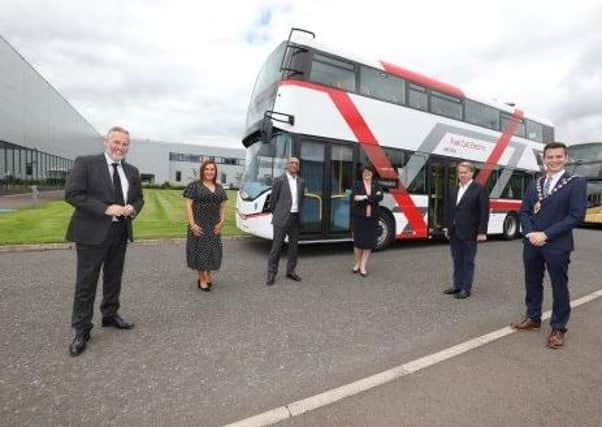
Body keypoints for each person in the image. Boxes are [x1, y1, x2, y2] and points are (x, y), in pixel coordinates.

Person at [65, 126, 144, 357]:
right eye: (116, 142)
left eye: (125, 144)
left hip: (119, 233)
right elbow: (73, 194)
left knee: (113, 277)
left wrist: (132, 208)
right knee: (86, 283)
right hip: (92, 234)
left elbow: (139, 198)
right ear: (106, 142)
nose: (120, 147)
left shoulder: (132, 170)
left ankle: (109, 315)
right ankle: (81, 329)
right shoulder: (86, 163)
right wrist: (105, 209)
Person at [511, 142, 586, 349]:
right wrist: (530, 233)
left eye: (558, 157)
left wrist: (546, 234)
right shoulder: (535, 183)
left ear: (566, 158)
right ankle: (533, 317)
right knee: (532, 281)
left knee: (559, 286)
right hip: (532, 242)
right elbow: (524, 211)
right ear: (544, 159)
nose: (554, 160)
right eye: (550, 157)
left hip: (557, 244)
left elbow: (576, 216)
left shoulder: (576, 183)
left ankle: (558, 327)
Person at [442, 161, 489, 299]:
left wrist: (482, 232)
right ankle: (457, 285)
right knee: (456, 260)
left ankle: (465, 288)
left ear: (471, 173)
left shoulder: (479, 189)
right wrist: (446, 226)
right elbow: (448, 209)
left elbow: (483, 212)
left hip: (470, 231)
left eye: (464, 172)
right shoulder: (453, 189)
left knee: (468, 261)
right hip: (454, 231)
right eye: (459, 172)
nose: (461, 175)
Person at [184, 160, 228, 291]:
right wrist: (192, 224)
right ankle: (202, 278)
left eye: (212, 169)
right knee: (200, 252)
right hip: (199, 224)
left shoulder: (219, 187)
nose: (209, 171)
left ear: (215, 172)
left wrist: (222, 221)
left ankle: (208, 274)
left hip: (214, 225)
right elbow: (188, 206)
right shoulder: (194, 186)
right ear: (202, 171)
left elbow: (223, 206)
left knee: (212, 252)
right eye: (207, 169)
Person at [266, 157, 305, 286]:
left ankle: (291, 271)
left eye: (296, 163)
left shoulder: (301, 181)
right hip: (281, 218)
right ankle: (271, 273)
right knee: (276, 248)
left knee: (293, 248)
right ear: (287, 165)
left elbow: (301, 200)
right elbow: (273, 202)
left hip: (295, 218)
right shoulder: (279, 180)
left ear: (298, 167)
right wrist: (278, 214)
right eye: (291, 162)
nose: (294, 165)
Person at [350, 165, 383, 277]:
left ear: (372, 173)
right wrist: (371, 197)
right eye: (365, 172)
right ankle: (357, 263)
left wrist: (365, 197)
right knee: (358, 242)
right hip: (359, 217)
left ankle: (363, 266)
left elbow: (380, 197)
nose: (367, 174)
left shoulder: (376, 185)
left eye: (369, 172)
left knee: (368, 243)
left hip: (372, 218)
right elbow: (355, 198)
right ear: (362, 174)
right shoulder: (357, 184)